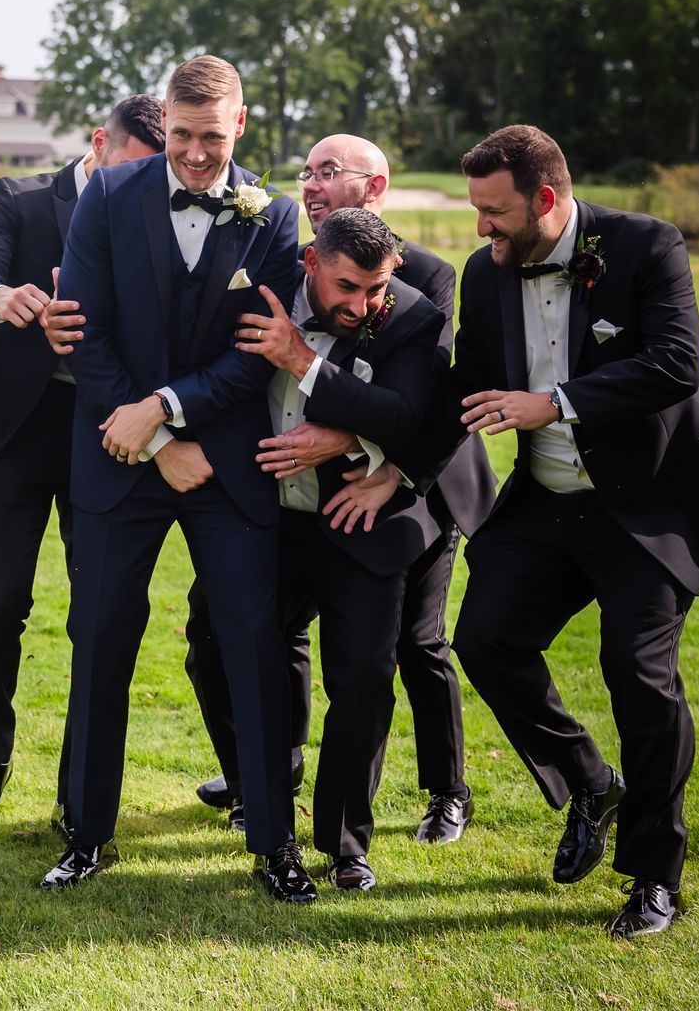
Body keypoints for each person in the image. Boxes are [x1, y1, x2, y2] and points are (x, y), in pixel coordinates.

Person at [442, 124, 699, 936]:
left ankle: (654, 876)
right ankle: (590, 780)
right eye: (477, 210)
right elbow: (466, 385)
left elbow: (675, 364)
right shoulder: (484, 277)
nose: (482, 227)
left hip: (647, 506)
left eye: (495, 211)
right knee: (484, 639)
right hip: (547, 501)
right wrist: (360, 431)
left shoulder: (647, 246)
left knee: (639, 678)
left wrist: (552, 403)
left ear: (547, 200)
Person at [42, 55, 316, 902]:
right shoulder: (108, 197)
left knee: (252, 643)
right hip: (121, 460)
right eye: (183, 135)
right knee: (99, 640)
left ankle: (274, 842)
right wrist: (155, 440)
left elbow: (254, 355)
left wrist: (163, 409)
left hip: (225, 465)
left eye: (213, 137)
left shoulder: (274, 217)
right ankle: (86, 835)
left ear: (241, 124)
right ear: (165, 119)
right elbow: (85, 334)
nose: (197, 155)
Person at [187, 134, 494, 842]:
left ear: (375, 186)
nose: (313, 183)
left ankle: (433, 796)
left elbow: (419, 407)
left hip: (405, 488)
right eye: (309, 172)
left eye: (331, 171)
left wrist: (349, 435)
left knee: (404, 651)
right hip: (281, 508)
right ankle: (265, 776)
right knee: (227, 634)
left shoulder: (423, 290)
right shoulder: (267, 275)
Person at [0, 95, 163, 844]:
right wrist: (3, 297)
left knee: (97, 616)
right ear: (99, 144)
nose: (144, 187)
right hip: (19, 432)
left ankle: (79, 787)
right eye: (133, 168)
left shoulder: (163, 207)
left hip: (108, 432)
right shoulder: (23, 198)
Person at [231, 208, 448, 890]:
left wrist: (304, 365)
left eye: (374, 289)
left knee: (363, 678)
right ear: (311, 265)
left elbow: (403, 415)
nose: (362, 305)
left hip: (357, 518)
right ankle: (262, 803)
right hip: (261, 522)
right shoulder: (251, 290)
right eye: (347, 287)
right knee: (217, 645)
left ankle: (346, 842)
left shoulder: (412, 317)